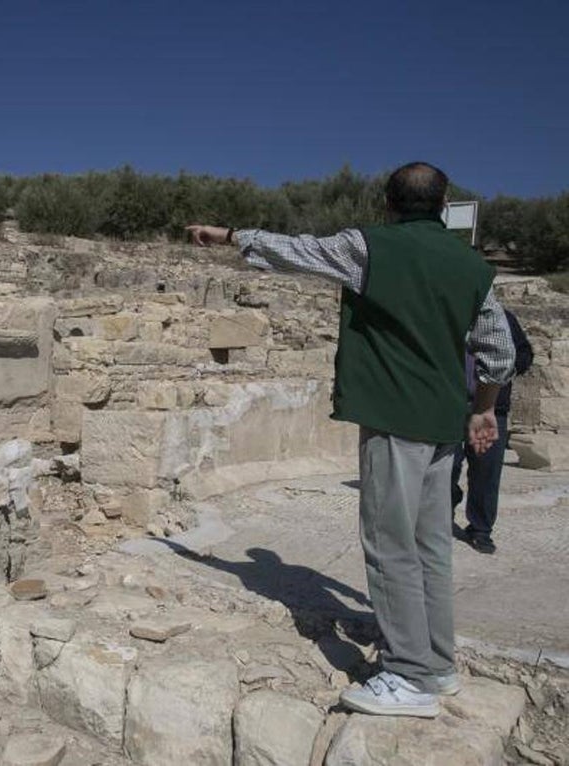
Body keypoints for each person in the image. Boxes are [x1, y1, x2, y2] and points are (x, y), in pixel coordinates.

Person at [187, 161, 516, 719]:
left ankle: (407, 676)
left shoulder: (369, 248)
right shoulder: (472, 266)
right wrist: (483, 411)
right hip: (443, 425)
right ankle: (437, 665)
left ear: (387, 203)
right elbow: (500, 354)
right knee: (431, 548)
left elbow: (296, 251)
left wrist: (229, 235)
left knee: (389, 546)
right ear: (444, 207)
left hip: (393, 417)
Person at [451, 309, 533, 553]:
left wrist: (503, 370)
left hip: (493, 407)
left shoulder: (504, 318)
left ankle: (480, 530)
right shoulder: (450, 310)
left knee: (486, 471)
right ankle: (441, 516)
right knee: (445, 466)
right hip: (451, 406)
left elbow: (525, 353)